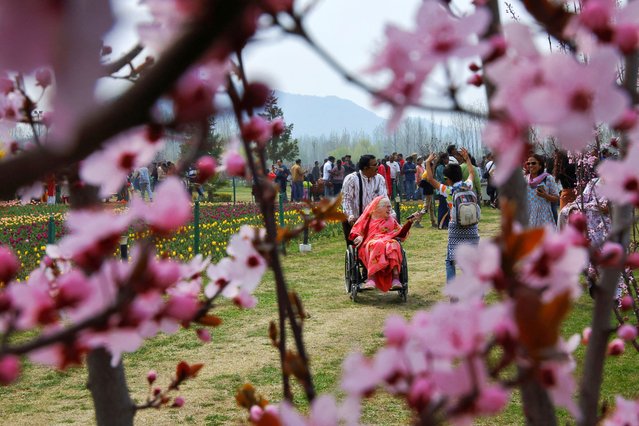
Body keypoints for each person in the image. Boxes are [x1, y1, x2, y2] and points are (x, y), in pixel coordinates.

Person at [423, 148, 479, 282]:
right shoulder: (468, 185)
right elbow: (471, 172)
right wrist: (467, 159)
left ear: (447, 179)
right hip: (472, 228)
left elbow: (430, 179)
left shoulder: (448, 190)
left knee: (450, 261)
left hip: (456, 229)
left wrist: (428, 163)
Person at [350, 196, 416, 292]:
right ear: (378, 208)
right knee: (378, 244)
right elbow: (358, 231)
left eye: (390, 207)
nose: (390, 209)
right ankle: (371, 278)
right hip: (370, 244)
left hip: (387, 242)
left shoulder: (391, 220)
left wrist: (409, 222)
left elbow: (400, 233)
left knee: (394, 244)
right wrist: (359, 236)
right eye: (387, 207)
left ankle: (396, 278)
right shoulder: (368, 219)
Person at [342, 154, 390, 239]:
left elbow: (384, 199)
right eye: (375, 165)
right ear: (365, 168)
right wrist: (350, 215)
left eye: (377, 164)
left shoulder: (379, 179)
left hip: (374, 222)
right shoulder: (351, 179)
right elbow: (346, 200)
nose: (378, 167)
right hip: (355, 221)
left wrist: (391, 214)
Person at [525, 154, 559, 228]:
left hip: (544, 215)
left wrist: (545, 196)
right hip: (529, 215)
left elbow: (556, 198)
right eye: (528, 163)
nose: (530, 165)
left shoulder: (548, 178)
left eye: (533, 163)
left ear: (540, 165)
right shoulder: (525, 179)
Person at [434, 152, 450, 229]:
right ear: (443, 159)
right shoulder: (440, 168)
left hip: (444, 189)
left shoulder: (443, 167)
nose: (448, 160)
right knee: (443, 207)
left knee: (445, 207)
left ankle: (445, 224)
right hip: (442, 190)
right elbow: (444, 179)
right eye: (447, 159)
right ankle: (442, 224)